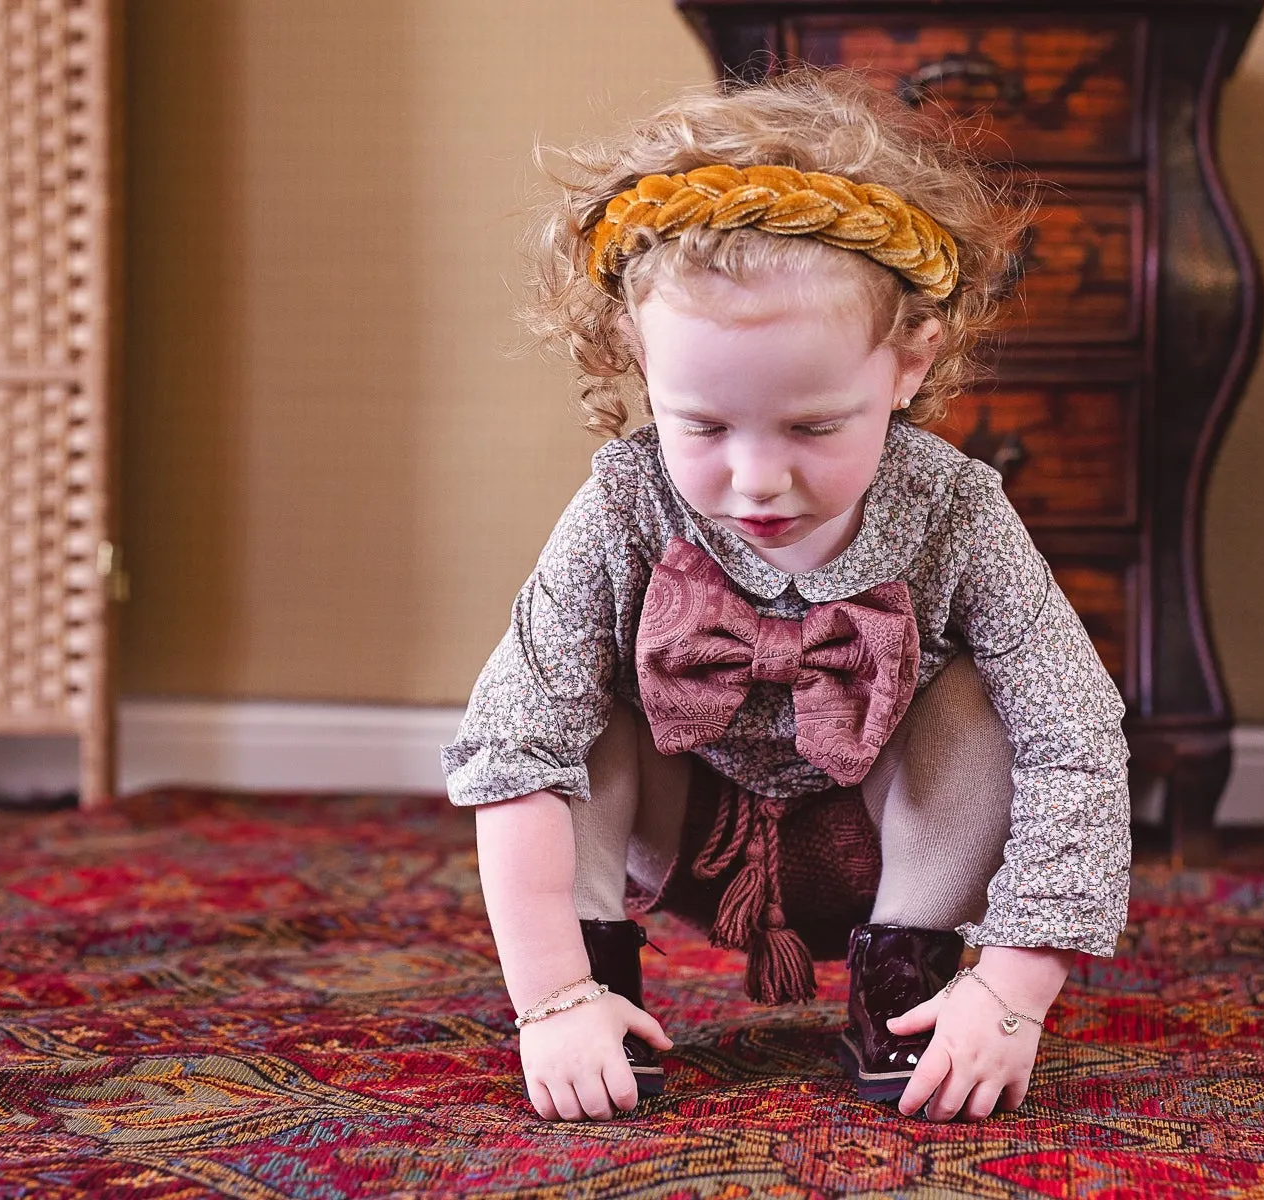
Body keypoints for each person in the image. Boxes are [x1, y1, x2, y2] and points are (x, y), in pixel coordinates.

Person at [441, 70, 1131, 1123]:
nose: (757, 480)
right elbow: (512, 745)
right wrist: (548, 999)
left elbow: (1074, 736)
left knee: (995, 700)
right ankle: (600, 990)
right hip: (685, 837)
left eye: (814, 427)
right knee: (565, 714)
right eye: (705, 428)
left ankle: (908, 989)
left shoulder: (958, 508)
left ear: (908, 364)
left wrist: (1015, 987)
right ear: (638, 357)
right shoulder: (622, 504)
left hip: (892, 840)